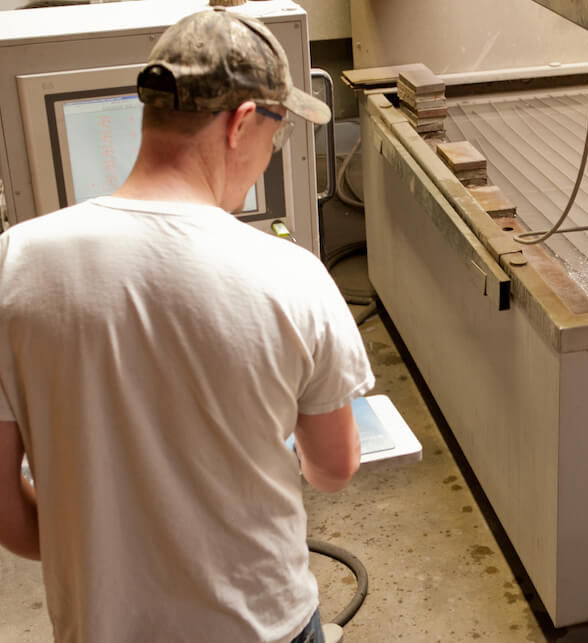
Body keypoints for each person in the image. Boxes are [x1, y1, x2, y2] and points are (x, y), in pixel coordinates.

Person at [0, 7, 373, 642]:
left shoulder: (16, 262)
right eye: (277, 134)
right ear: (243, 123)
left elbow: (8, 512)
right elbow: (334, 468)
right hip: (263, 626)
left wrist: (99, 557)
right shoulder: (292, 275)